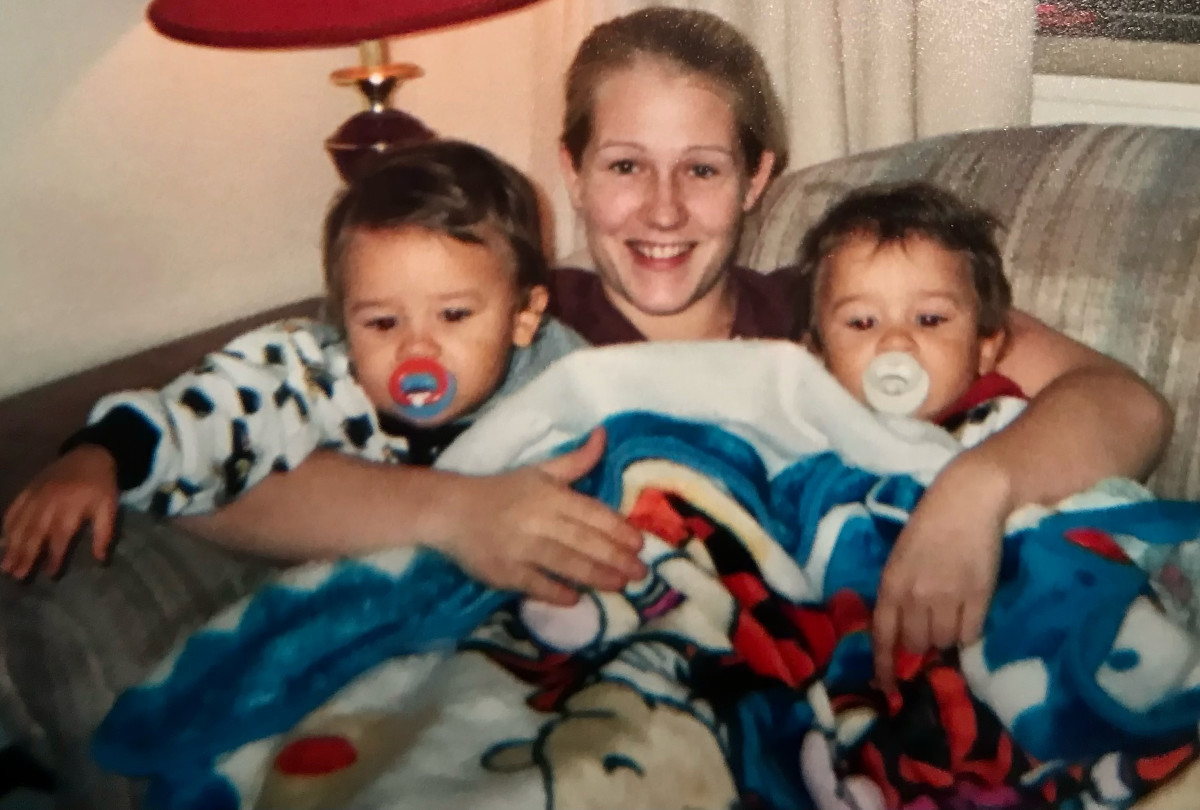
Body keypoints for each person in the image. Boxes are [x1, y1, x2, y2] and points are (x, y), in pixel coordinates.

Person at [161, 6, 1169, 690]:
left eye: (702, 168)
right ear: (570, 169)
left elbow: (1122, 404)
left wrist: (973, 494)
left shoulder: (836, 315)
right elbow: (212, 472)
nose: (662, 210)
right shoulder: (493, 324)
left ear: (757, 177)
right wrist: (453, 511)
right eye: (624, 166)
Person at [1, 140, 644, 599]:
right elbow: (214, 406)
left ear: (523, 317)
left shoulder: (564, 380)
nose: (417, 353)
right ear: (343, 319)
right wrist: (99, 454)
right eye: (382, 323)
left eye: (453, 315)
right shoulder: (318, 372)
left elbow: (648, 446)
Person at [793, 180, 1026, 443]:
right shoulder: (807, 438)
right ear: (817, 355)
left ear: (985, 349)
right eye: (862, 322)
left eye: (929, 320)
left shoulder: (1005, 431)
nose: (895, 341)